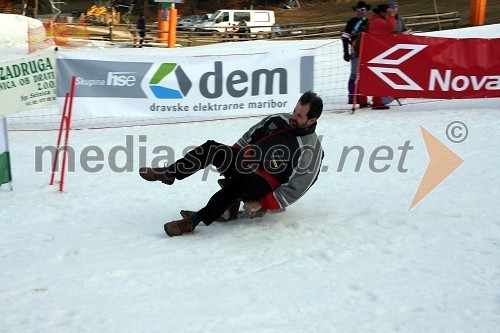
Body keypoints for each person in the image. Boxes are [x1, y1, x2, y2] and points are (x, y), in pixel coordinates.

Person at [139, 91, 325, 237]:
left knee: (238, 185)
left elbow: (296, 188)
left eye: (300, 116)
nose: (293, 116)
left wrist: (262, 203)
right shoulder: (279, 120)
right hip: (248, 163)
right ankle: (170, 174)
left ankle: (192, 223)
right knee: (213, 148)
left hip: (266, 183)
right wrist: (230, 158)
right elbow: (250, 136)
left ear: (312, 120)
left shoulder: (310, 149)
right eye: (294, 110)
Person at [342, 1, 371, 107]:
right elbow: (345, 37)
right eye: (359, 10)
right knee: (354, 74)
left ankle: (362, 96)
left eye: (362, 10)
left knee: (365, 74)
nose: (361, 12)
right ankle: (352, 96)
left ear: (366, 11)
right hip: (355, 50)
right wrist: (345, 52)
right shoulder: (351, 22)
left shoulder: (369, 22)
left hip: (367, 51)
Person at [367, 4, 396, 109]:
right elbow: (390, 27)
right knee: (378, 77)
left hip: (377, 53)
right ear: (383, 12)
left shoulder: (376, 20)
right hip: (375, 53)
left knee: (378, 76)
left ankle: (379, 100)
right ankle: (378, 101)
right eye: (387, 12)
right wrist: (392, 15)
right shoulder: (377, 21)